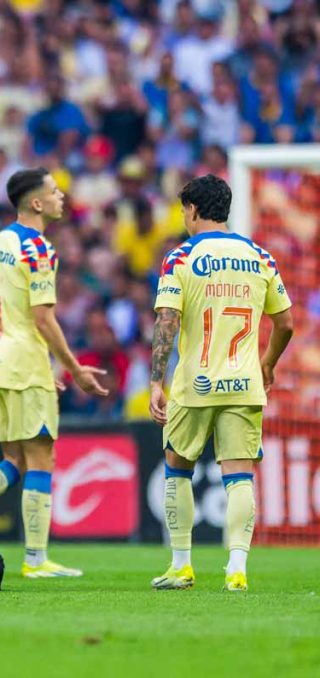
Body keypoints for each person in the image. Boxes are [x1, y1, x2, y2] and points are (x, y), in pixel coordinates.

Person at [0, 168, 109, 578]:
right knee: (42, 458)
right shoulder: (38, 247)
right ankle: (36, 560)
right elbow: (42, 318)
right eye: (55, 191)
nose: (63, 195)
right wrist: (73, 368)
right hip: (23, 361)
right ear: (37, 203)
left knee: (12, 458)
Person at [149, 174, 293, 592]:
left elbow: (167, 321)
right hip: (245, 383)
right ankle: (236, 569)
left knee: (177, 468)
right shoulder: (260, 257)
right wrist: (267, 363)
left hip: (196, 383)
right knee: (239, 475)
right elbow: (285, 322)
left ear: (193, 210)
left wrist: (157, 380)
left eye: (183, 210)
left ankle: (181, 565)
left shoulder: (180, 257)